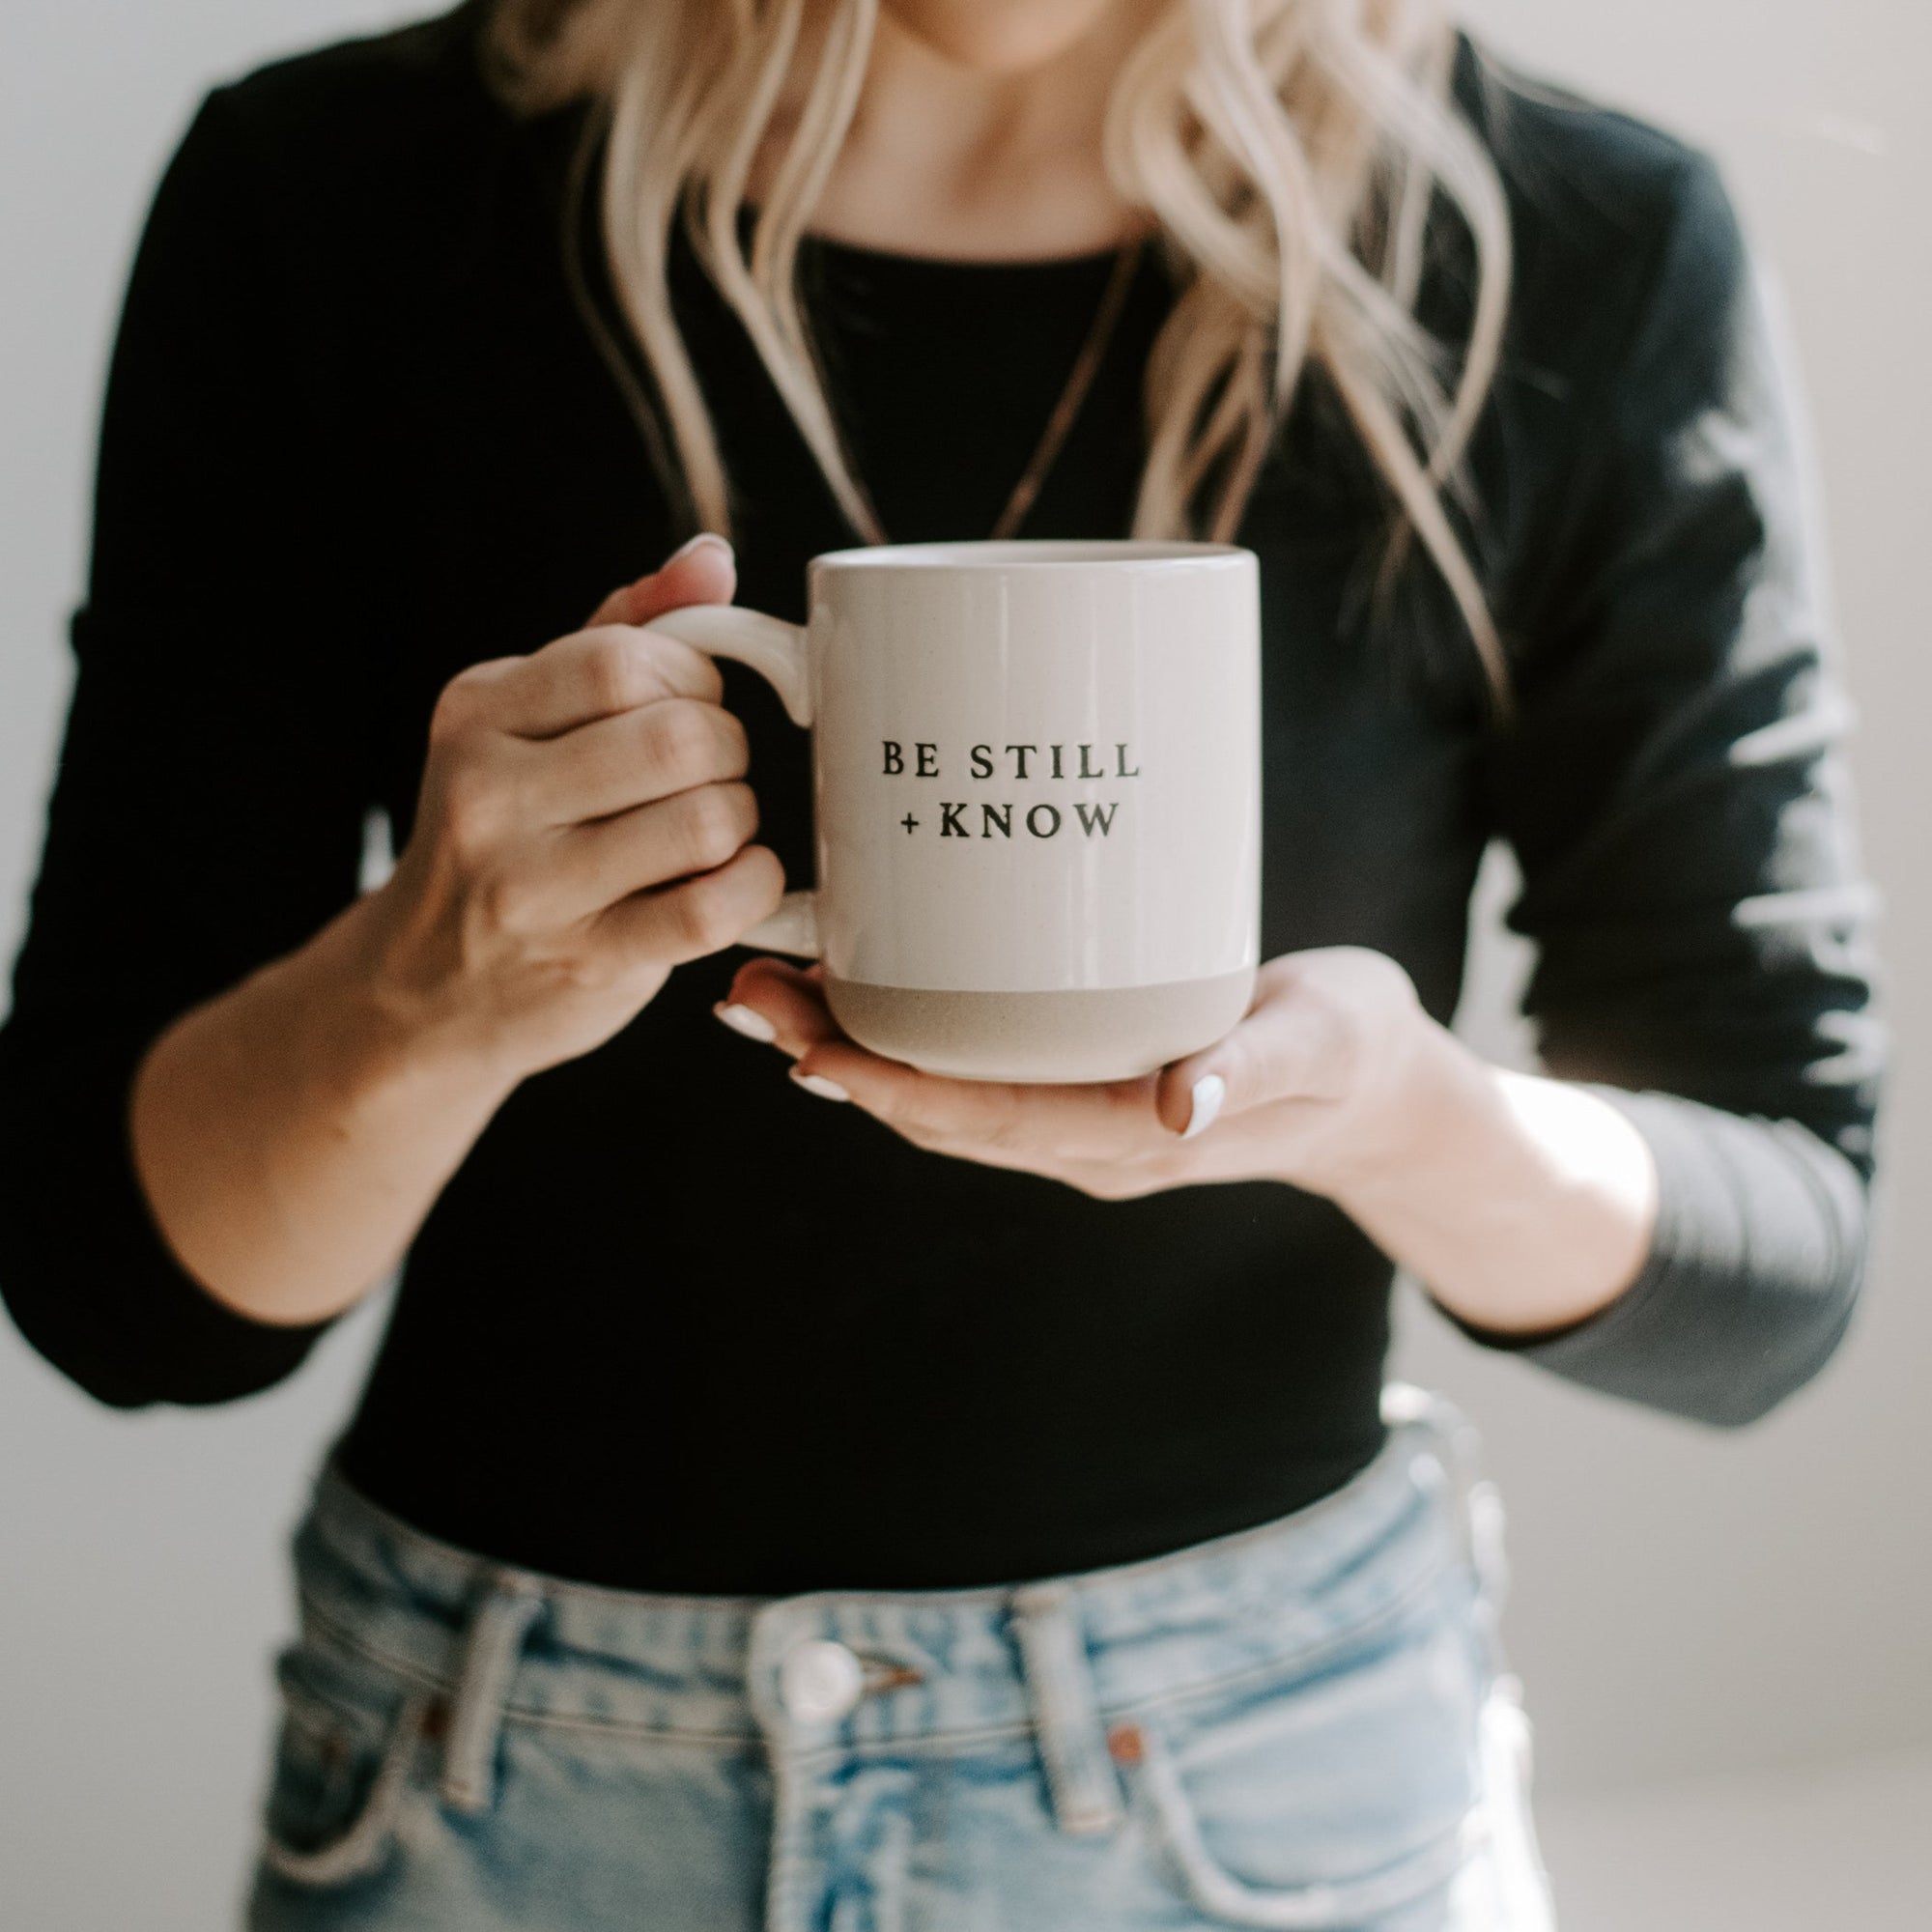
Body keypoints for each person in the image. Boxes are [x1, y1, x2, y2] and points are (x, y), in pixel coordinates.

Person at [0, 0, 1883, 1925]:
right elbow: (113, 1284)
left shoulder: (1569, 249)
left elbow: (1779, 1256)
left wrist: (1400, 1120)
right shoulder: (337, 196)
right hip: (490, 1790)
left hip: (1263, 1793)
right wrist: (419, 997)